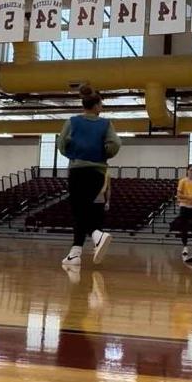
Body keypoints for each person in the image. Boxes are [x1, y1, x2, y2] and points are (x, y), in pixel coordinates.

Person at [57, 85, 121, 266]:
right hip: (98, 172)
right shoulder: (106, 124)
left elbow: (61, 143)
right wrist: (104, 153)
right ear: (96, 105)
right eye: (101, 105)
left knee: (79, 211)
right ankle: (75, 252)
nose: (102, 108)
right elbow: (115, 144)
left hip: (77, 170)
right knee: (84, 210)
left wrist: (72, 153)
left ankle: (96, 235)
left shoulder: (72, 122)